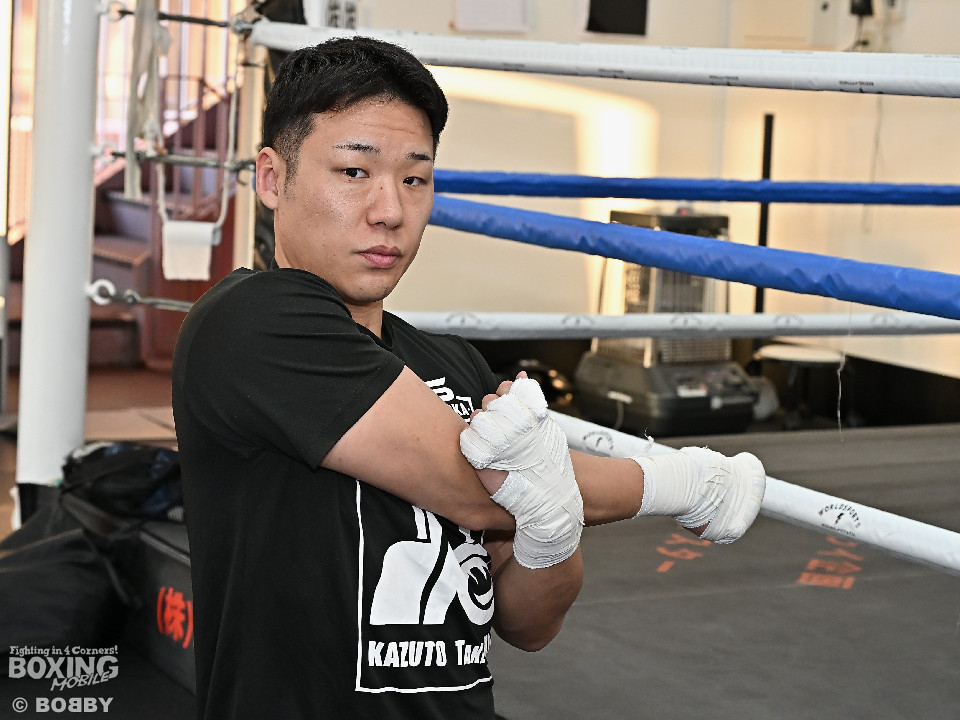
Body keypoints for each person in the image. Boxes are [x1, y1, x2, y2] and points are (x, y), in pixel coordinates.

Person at [172, 36, 765, 720]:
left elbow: (529, 624)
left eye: (414, 179)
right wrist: (683, 482)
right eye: (354, 172)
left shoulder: (454, 365)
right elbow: (477, 493)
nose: (390, 210)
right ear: (273, 179)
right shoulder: (251, 322)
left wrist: (551, 530)